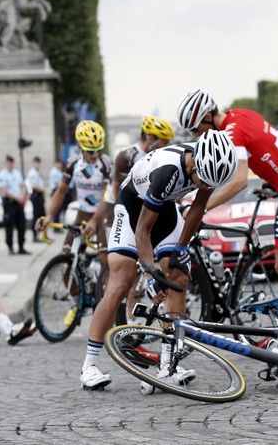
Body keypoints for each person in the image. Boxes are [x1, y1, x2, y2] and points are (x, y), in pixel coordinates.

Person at [78, 130, 238, 390]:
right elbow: (142, 230)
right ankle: (90, 366)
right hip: (132, 207)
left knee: (178, 277)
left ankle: (167, 366)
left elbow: (197, 207)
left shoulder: (208, 167)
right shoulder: (167, 171)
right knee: (120, 282)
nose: (202, 186)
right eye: (201, 180)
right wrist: (150, 272)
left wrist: (181, 249)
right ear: (194, 161)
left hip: (165, 209)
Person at [177, 88, 278, 327]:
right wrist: (274, 177)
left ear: (207, 117)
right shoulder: (239, 114)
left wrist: (200, 207)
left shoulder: (232, 133)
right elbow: (270, 146)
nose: (195, 134)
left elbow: (239, 180)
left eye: (195, 128)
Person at [108, 115, 175, 323]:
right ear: (150, 137)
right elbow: (118, 189)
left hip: (151, 207)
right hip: (126, 208)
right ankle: (128, 313)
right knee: (128, 266)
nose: (165, 146)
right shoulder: (126, 156)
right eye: (163, 142)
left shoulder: (162, 157)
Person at [37, 121, 112, 262]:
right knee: (65, 260)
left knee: (105, 261)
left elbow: (105, 195)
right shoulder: (72, 163)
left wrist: (95, 221)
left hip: (103, 216)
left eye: (99, 149)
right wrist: (49, 216)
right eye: (90, 151)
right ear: (79, 147)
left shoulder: (107, 164)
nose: (95, 154)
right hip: (82, 214)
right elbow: (61, 191)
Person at [0, 155, 28, 255]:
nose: (10, 165)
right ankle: (10, 247)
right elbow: (4, 190)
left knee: (22, 225)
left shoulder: (17, 173)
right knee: (9, 226)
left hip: (19, 203)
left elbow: (23, 186)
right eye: (9, 163)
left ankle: (21, 247)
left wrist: (22, 196)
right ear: (6, 163)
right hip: (9, 203)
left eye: (12, 163)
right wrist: (18, 198)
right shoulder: (2, 174)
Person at [26, 157, 47, 243]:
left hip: (39, 196)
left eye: (39, 163)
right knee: (37, 217)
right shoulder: (32, 173)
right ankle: (35, 236)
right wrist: (42, 190)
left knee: (42, 216)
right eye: (36, 163)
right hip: (36, 196)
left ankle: (43, 235)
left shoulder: (37, 172)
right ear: (33, 163)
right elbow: (35, 185)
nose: (38, 165)